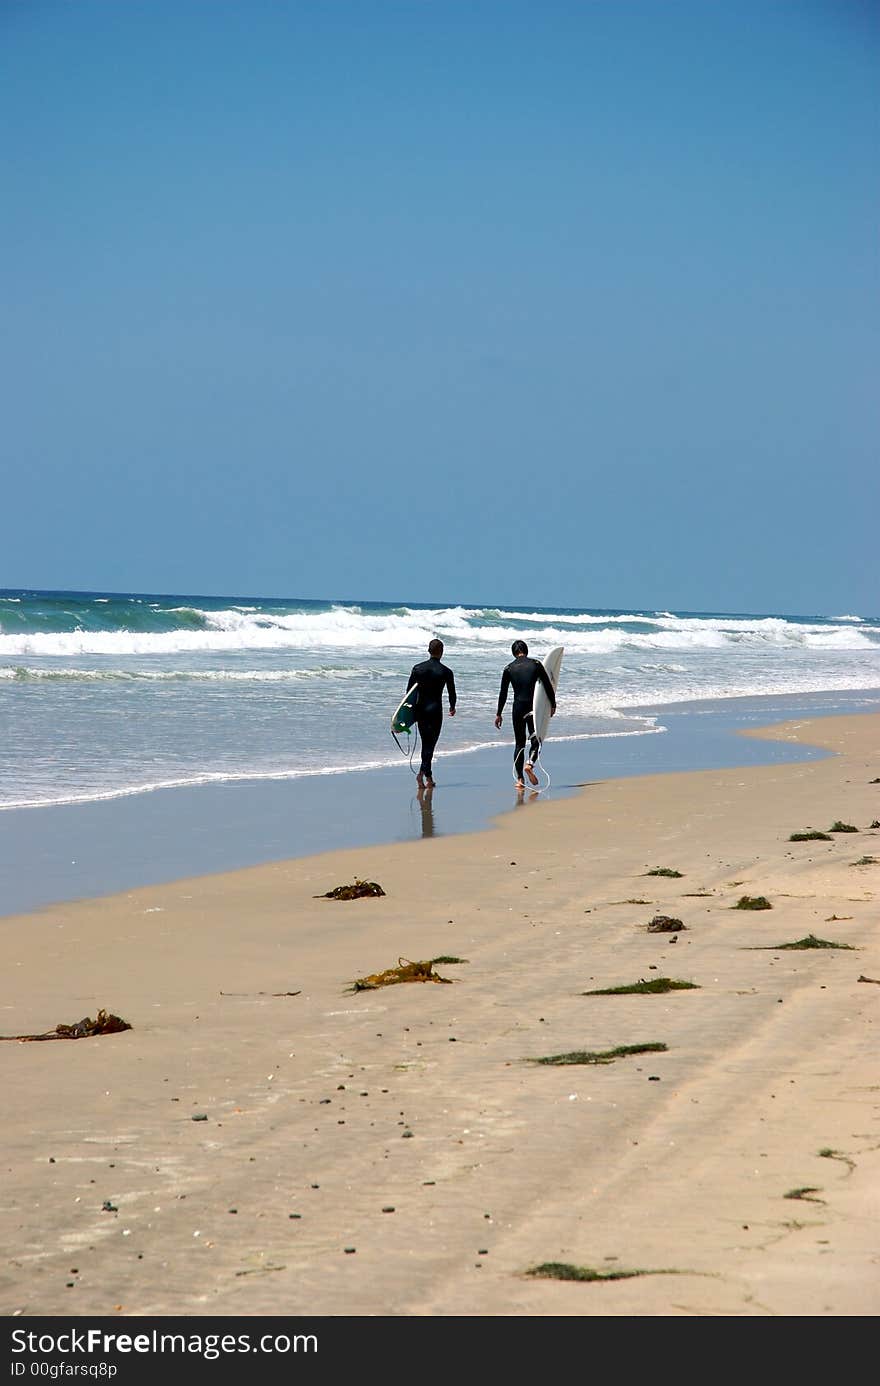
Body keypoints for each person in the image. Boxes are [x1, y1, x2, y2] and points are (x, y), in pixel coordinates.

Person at [494, 639, 556, 788]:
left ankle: (520, 780)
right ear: (526, 650)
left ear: (513, 652)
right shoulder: (535, 664)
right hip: (532, 707)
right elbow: (547, 685)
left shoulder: (508, 668)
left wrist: (499, 713)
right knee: (536, 740)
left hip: (518, 708)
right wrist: (552, 704)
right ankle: (530, 763)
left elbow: (503, 693)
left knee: (519, 743)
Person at [406, 638, 456, 789]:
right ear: (442, 652)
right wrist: (452, 707)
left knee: (426, 743)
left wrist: (409, 714)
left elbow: (409, 693)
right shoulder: (446, 671)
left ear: (429, 651)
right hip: (435, 711)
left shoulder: (417, 669)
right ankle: (421, 775)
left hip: (420, 710)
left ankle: (429, 777)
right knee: (430, 745)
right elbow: (452, 693)